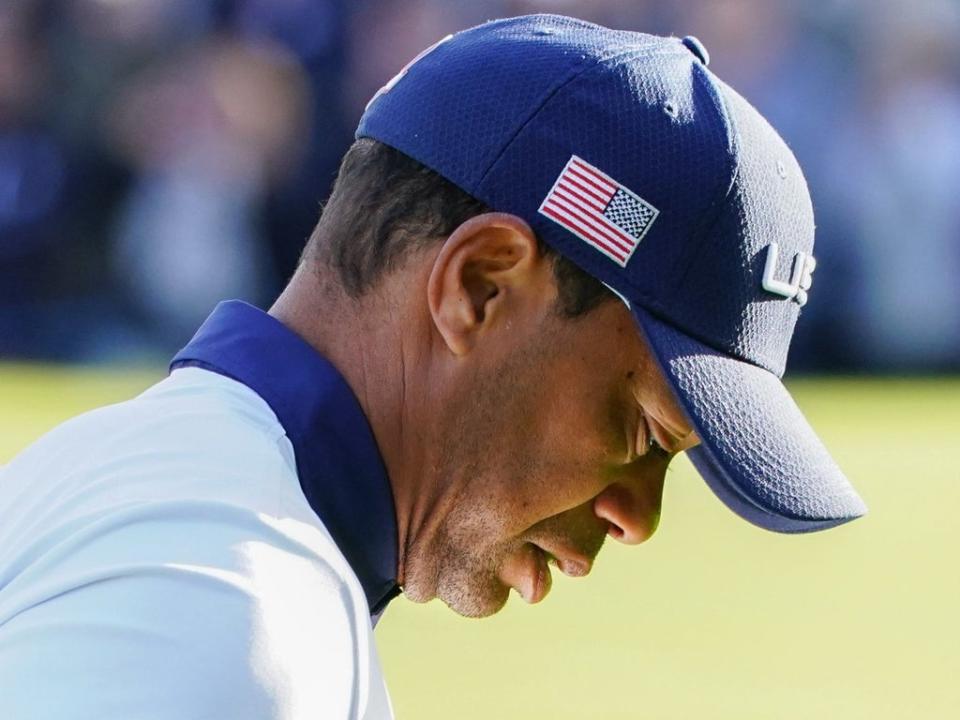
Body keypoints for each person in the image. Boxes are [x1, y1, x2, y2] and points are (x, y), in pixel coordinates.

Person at [0, 14, 866, 720]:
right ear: (480, 287)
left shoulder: (134, 483)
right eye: (641, 428)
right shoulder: (233, 613)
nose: (637, 517)